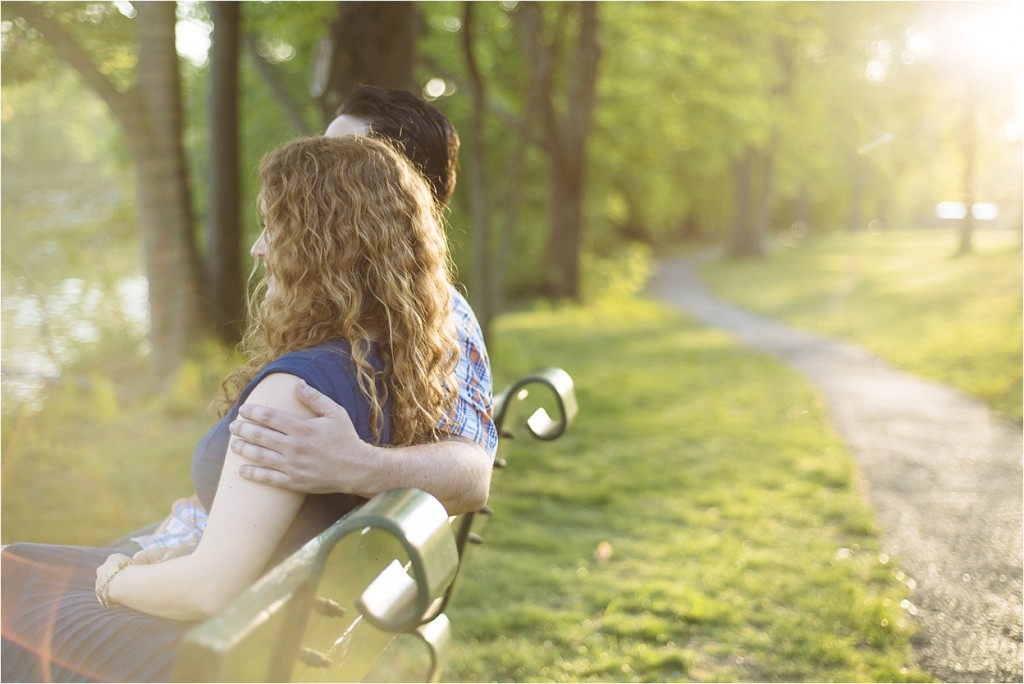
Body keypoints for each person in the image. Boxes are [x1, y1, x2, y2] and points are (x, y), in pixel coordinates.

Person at [1, 135, 463, 682]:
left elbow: (210, 589)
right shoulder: (398, 370)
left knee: (14, 585)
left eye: (274, 227)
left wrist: (115, 581)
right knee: (16, 566)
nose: (258, 249)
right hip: (270, 633)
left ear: (324, 244)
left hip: (212, 653)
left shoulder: (297, 394)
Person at [227, 86, 496, 513]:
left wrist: (359, 466)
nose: (320, 173)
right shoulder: (352, 307)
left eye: (343, 156)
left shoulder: (436, 317)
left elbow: (473, 473)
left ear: (386, 185)